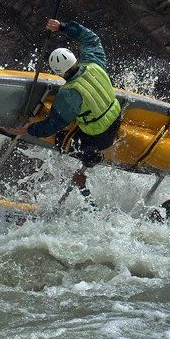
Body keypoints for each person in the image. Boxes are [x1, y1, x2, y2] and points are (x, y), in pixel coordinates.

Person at [10, 18, 122, 206]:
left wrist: (29, 130)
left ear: (59, 73)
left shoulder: (69, 93)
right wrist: (62, 27)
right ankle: (94, 152)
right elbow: (91, 39)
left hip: (98, 137)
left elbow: (53, 125)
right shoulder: (95, 63)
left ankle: (93, 157)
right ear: (75, 59)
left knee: (63, 142)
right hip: (116, 119)